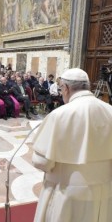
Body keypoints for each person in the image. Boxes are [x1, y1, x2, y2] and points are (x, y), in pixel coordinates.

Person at [32, 68, 112, 222]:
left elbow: (42, 162)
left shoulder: (59, 115)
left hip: (67, 193)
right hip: (105, 192)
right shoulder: (110, 111)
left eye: (61, 89)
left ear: (66, 88)